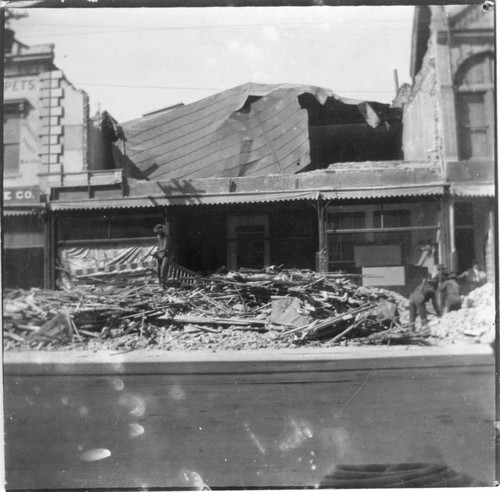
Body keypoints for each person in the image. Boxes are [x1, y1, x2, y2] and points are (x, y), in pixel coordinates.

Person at [153, 224, 171, 288]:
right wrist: (156, 253)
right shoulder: (158, 236)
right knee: (158, 270)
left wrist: (157, 252)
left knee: (163, 269)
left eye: (158, 231)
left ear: (161, 230)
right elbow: (159, 246)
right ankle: (161, 283)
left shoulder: (166, 237)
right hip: (160, 254)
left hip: (166, 254)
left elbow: (165, 248)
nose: (158, 233)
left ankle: (164, 284)